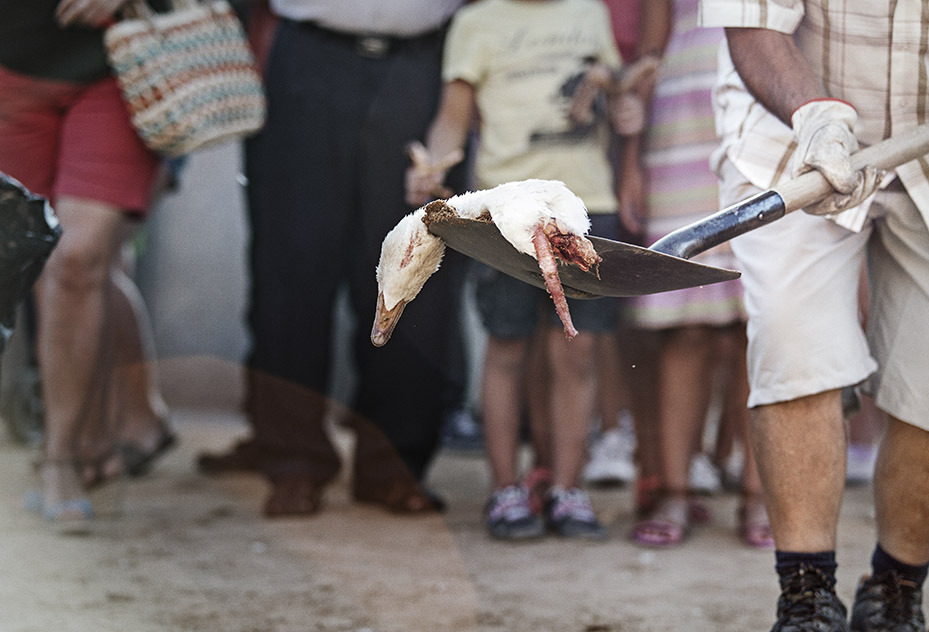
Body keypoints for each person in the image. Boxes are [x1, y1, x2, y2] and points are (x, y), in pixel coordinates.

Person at [698, 2, 929, 632]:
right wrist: (818, 116)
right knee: (796, 342)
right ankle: (809, 614)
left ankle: (893, 606)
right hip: (791, 127)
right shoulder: (797, 115)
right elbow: (755, 28)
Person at [198, 0, 469, 517]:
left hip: (427, 64)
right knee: (291, 266)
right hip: (306, 58)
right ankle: (293, 460)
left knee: (415, 259)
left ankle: (395, 464)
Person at [407, 0, 642, 541]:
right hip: (504, 209)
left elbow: (612, 95)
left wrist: (627, 111)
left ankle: (566, 488)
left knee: (577, 349)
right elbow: (452, 120)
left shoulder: (589, 12)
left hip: (586, 205)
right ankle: (506, 488)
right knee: (507, 345)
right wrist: (432, 170)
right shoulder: (476, 23)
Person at [0, 0, 174, 532]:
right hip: (13, 72)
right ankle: (86, 438)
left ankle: (60, 460)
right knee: (42, 264)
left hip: (121, 68)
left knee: (79, 257)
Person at [614, 0, 771, 549]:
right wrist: (631, 158)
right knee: (687, 326)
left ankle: (759, 495)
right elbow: (651, 54)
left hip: (766, 125)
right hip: (681, 128)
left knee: (761, 327)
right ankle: (677, 490)